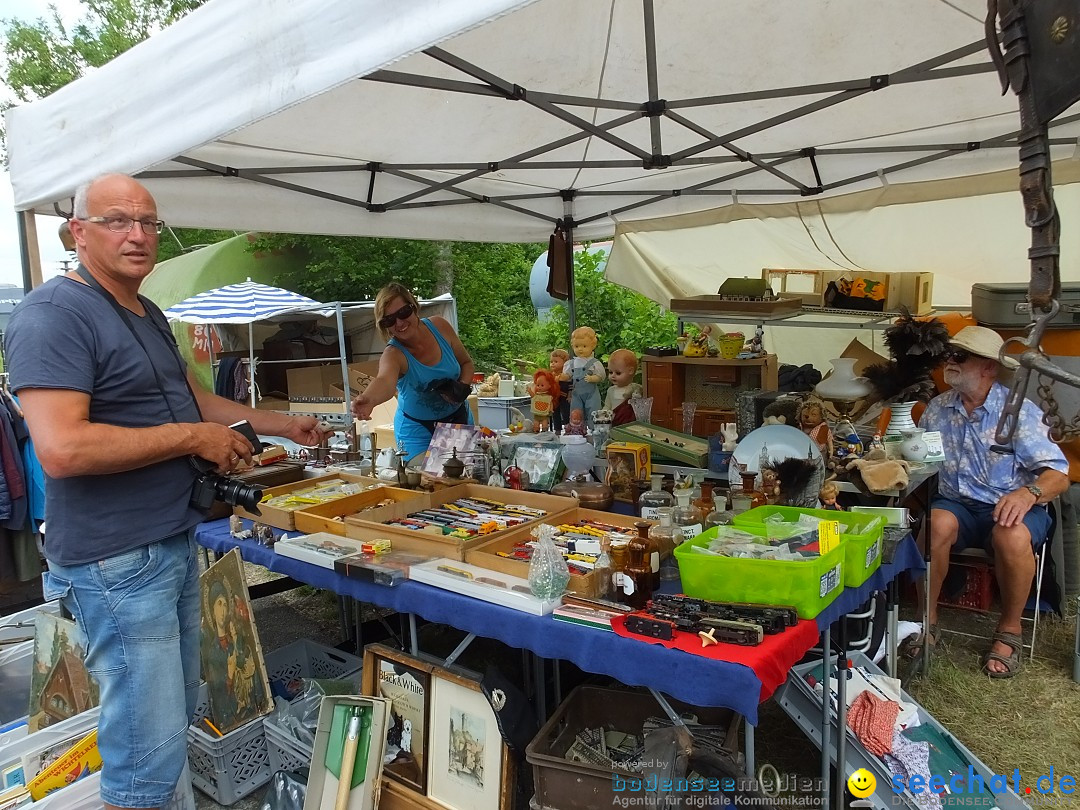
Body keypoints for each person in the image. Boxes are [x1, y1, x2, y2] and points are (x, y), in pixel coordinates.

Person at [4, 173, 330, 810]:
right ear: (79, 232)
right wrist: (190, 439)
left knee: (167, 731)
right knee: (144, 760)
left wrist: (281, 424)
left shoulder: (146, 312)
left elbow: (193, 399)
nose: (138, 235)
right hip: (115, 560)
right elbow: (63, 449)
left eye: (148, 222)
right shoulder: (54, 314)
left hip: (166, 542)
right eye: (118, 221)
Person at [909, 325, 1068, 678]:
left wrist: (1029, 493)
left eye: (960, 356)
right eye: (949, 354)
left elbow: (1059, 475)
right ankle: (927, 621)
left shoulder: (1017, 412)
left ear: (989, 367)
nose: (950, 362)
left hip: (1011, 507)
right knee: (935, 523)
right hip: (958, 505)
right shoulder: (937, 409)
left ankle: (1010, 629)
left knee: (1010, 535)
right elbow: (921, 461)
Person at [352, 283, 475, 460]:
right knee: (426, 483)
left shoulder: (440, 326)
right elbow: (385, 382)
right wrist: (369, 399)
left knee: (465, 479)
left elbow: (466, 363)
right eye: (390, 320)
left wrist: (461, 387)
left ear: (414, 306)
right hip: (417, 430)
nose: (400, 323)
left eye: (403, 313)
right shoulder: (393, 354)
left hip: (457, 418)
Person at [566, 326, 605, 427]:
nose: (580, 349)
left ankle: (594, 430)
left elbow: (601, 376)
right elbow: (568, 376)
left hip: (591, 393)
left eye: (584, 346)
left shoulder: (594, 363)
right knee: (576, 411)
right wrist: (562, 377)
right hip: (576, 394)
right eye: (577, 346)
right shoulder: (572, 363)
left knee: (593, 410)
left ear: (593, 345)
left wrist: (593, 378)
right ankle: (577, 429)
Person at [549, 348, 571, 433]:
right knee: (555, 413)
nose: (553, 364)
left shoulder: (566, 376)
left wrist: (570, 395)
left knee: (566, 412)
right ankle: (557, 429)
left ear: (565, 363)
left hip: (564, 397)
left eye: (556, 361)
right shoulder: (551, 375)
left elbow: (570, 386)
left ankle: (568, 428)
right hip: (555, 398)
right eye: (551, 362)